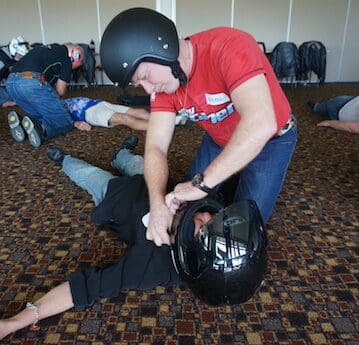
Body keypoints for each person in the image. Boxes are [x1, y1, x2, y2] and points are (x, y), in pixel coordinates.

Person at [0, 136, 268, 344]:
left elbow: (84, 288)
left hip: (116, 196)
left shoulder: (152, 266)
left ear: (189, 253)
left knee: (87, 174)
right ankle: (120, 154)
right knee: (135, 161)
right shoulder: (210, 204)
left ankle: (65, 160)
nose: (204, 217)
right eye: (213, 220)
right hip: (156, 181)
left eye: (201, 229)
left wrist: (13, 323)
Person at [99, 7, 297, 246]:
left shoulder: (229, 46)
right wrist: (157, 204)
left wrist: (202, 184)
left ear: (163, 49)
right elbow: (155, 148)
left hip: (272, 140)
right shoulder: (164, 84)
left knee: (243, 234)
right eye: (138, 84)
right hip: (219, 138)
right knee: (186, 207)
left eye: (144, 76)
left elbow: (261, 122)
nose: (149, 90)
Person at [6, 43, 84, 147]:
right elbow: (60, 91)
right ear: (75, 55)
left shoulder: (43, 49)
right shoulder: (65, 59)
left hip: (10, 83)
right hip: (31, 82)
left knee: (40, 115)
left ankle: (21, 123)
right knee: (65, 121)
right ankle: (40, 127)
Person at [62, 96, 150, 131]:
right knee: (124, 118)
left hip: (97, 102)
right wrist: (75, 123)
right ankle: (160, 130)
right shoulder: (52, 111)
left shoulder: (54, 100)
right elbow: (56, 121)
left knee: (140, 112)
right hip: (89, 113)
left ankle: (162, 122)